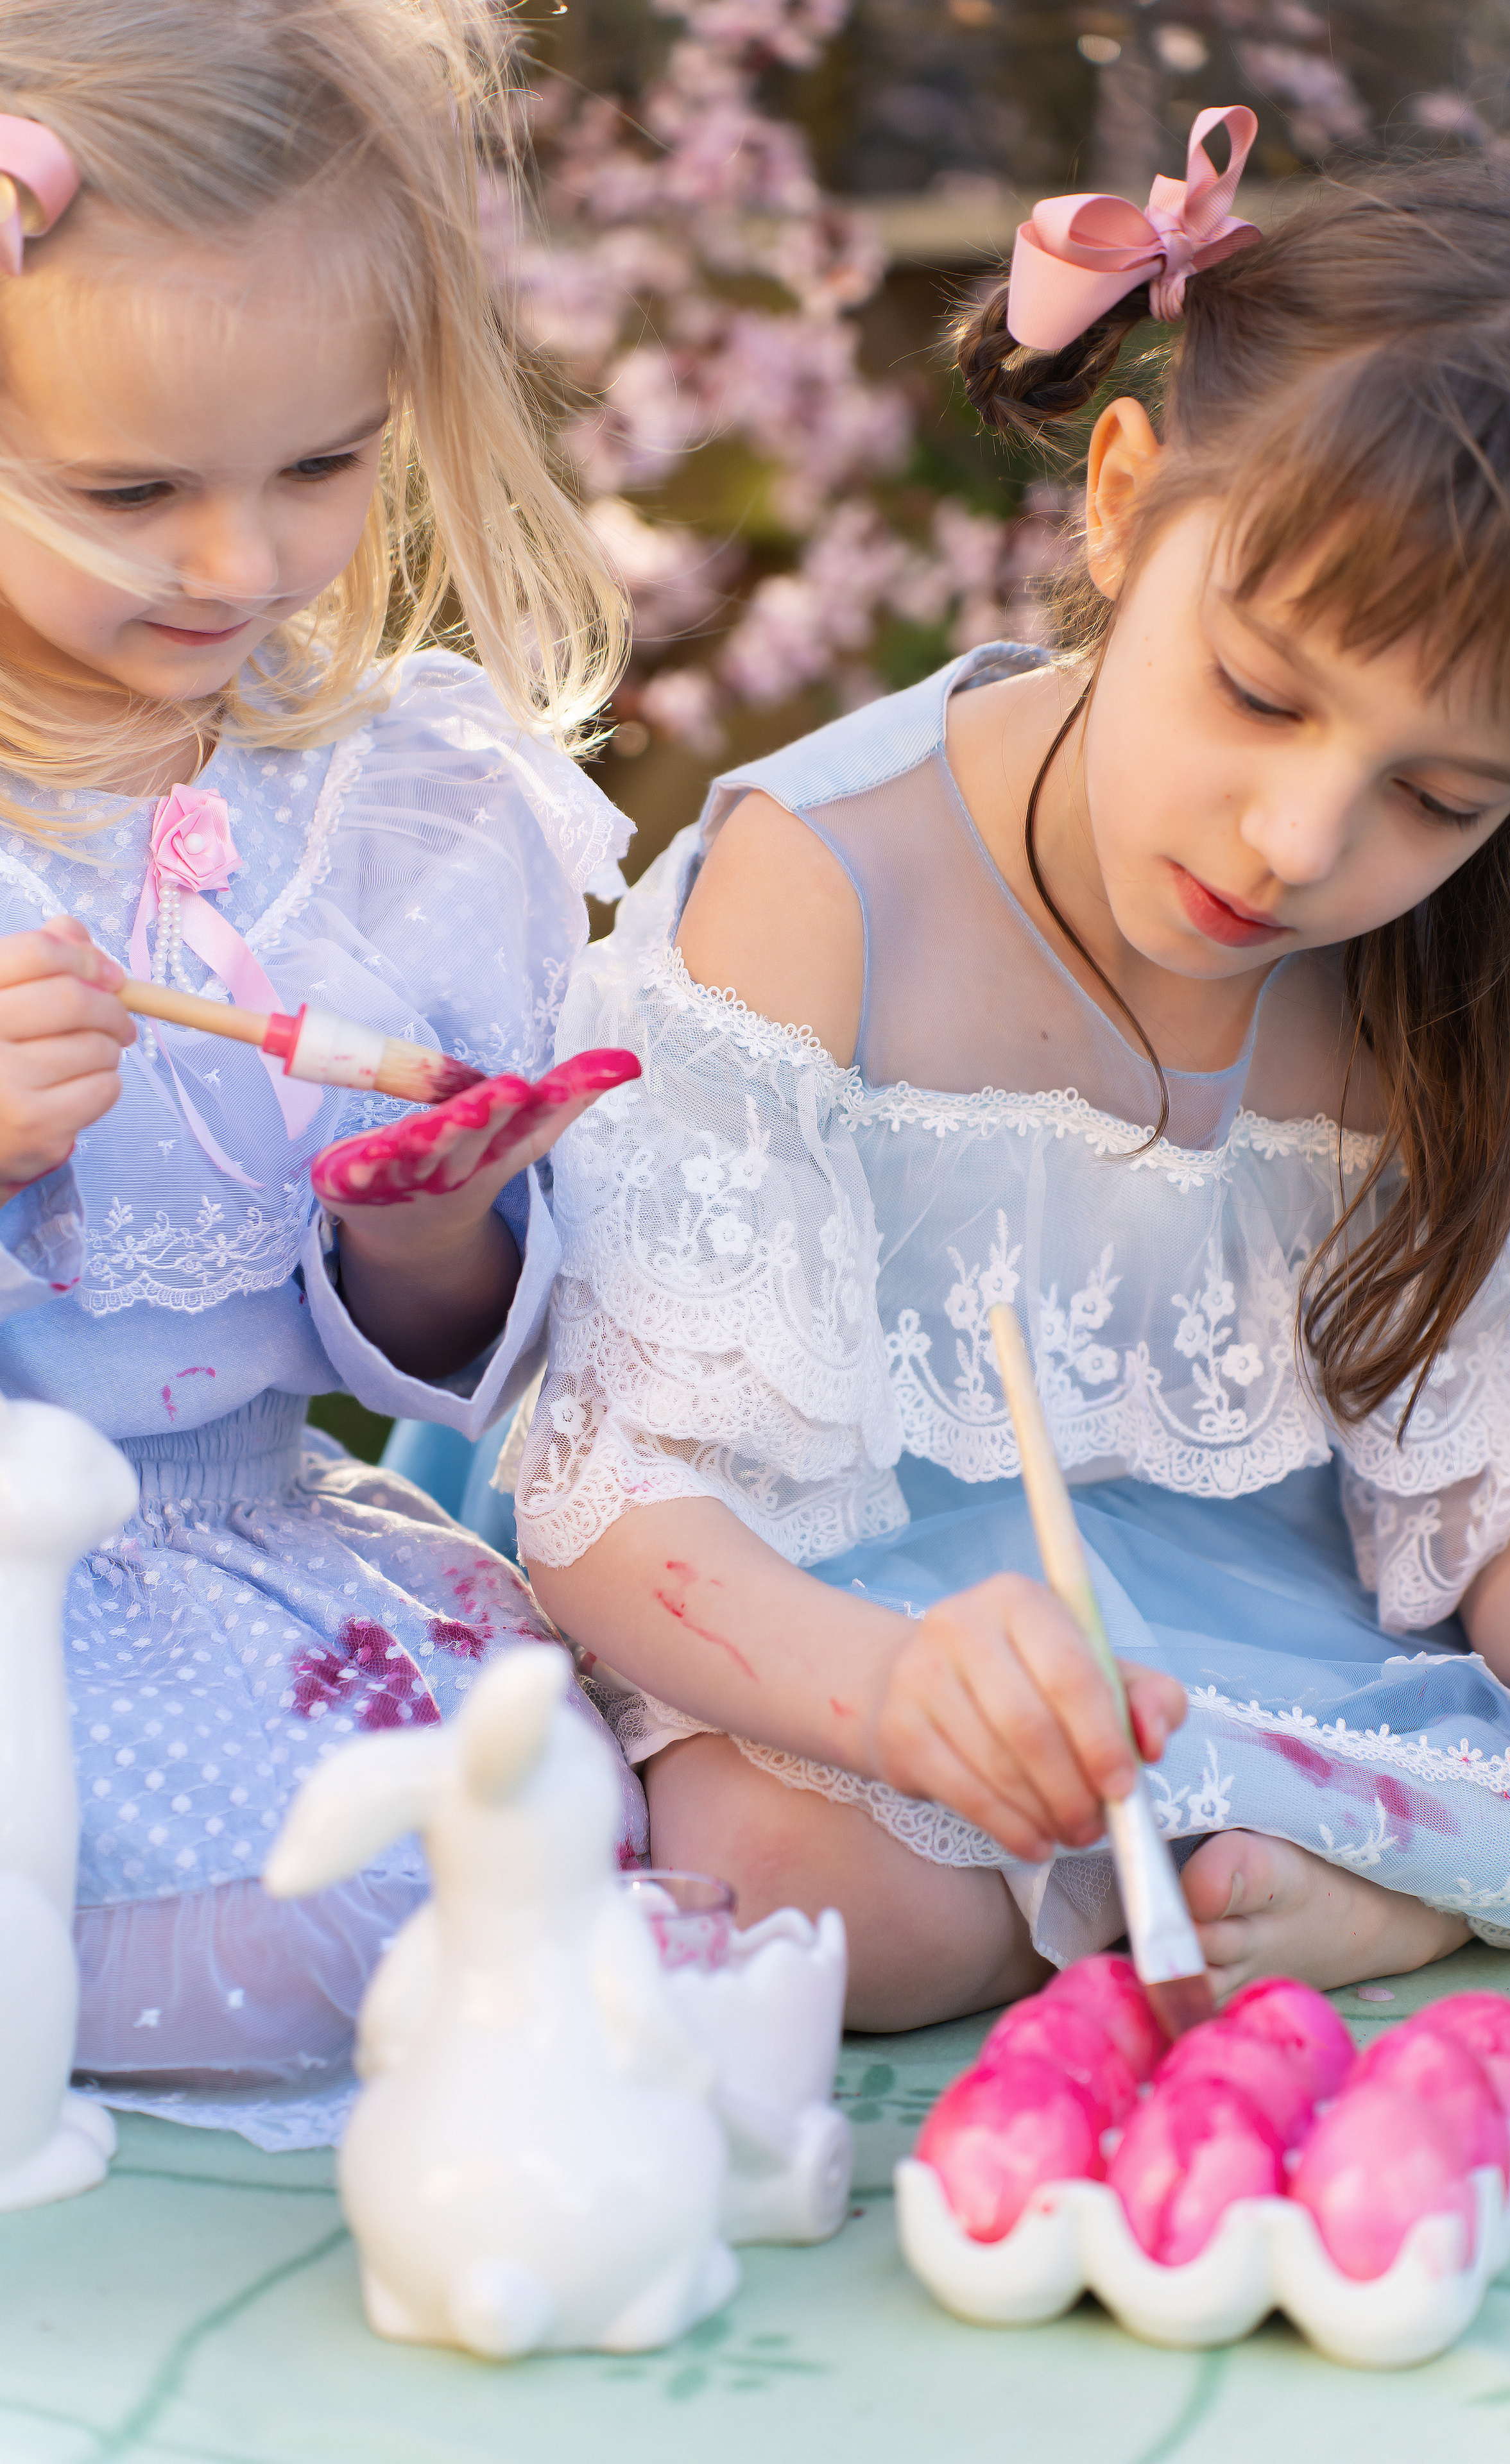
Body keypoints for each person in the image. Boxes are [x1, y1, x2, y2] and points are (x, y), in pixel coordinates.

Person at [515, 119, 1510, 2032]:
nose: (1297, 839)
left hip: (1263, 1652)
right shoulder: (831, 885)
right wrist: (893, 1694)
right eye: (1262, 693)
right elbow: (630, 1501)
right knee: (792, 1889)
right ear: (1123, 501)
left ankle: (1364, 1888)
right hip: (867, 1623)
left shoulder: (1448, 989)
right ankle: (1294, 1894)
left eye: (1437, 798)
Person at [0, 0, 648, 2140]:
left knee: (546, 1809)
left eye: (320, 465)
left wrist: (434, 1232)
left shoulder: (393, 805)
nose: (244, 563)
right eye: (130, 491)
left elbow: (424, 1358)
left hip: (249, 1546)